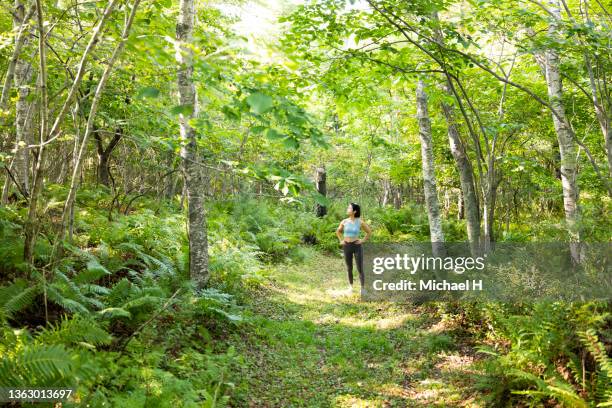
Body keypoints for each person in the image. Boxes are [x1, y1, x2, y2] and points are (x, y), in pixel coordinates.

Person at [336, 202, 372, 295]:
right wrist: (341, 240)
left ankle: (363, 289)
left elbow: (369, 232)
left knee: (360, 268)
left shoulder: (360, 221)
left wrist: (362, 240)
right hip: (347, 246)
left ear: (354, 211)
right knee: (349, 268)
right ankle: (350, 287)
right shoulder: (344, 221)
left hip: (357, 246)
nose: (347, 209)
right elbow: (338, 232)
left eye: (349, 208)